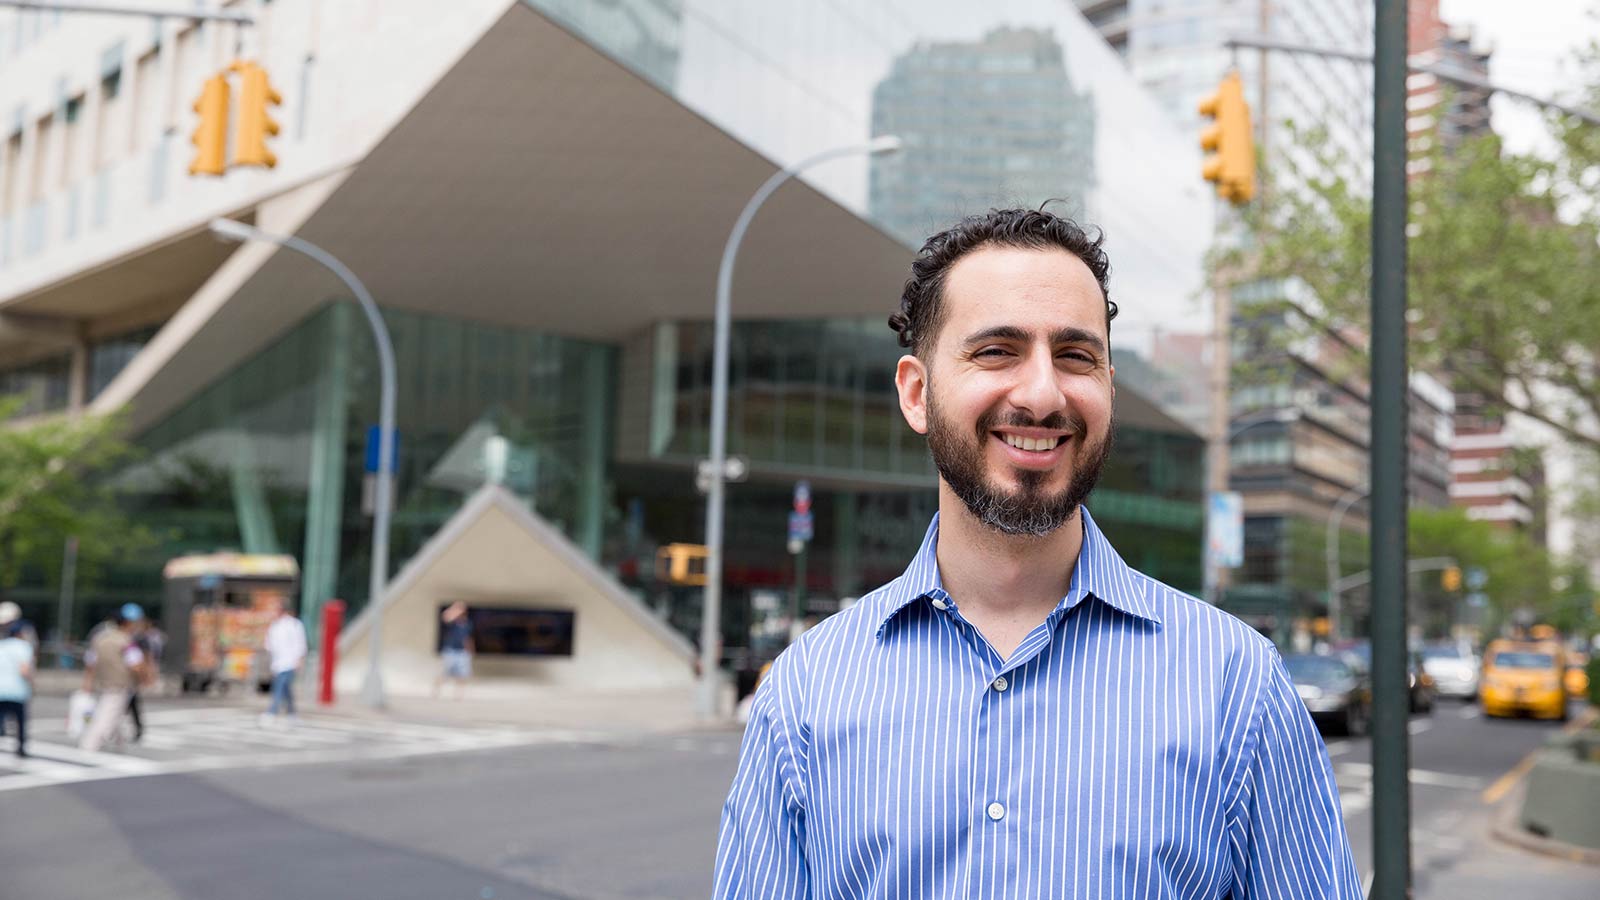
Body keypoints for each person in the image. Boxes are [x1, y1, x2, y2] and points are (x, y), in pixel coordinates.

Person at [713, 208, 1360, 899]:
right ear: (916, 392)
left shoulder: (1238, 686)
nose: (1044, 394)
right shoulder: (806, 691)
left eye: (1076, 357)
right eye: (997, 351)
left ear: (1108, 387)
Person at [80, 604, 150, 752]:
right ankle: (90, 745)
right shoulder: (126, 641)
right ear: (128, 622)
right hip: (120, 684)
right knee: (107, 716)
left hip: (104, 682)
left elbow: (90, 662)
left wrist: (88, 682)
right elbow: (136, 665)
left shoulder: (100, 638)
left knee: (114, 713)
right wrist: (145, 677)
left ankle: (119, 743)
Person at [260, 599, 307, 727]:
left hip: (290, 662)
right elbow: (269, 645)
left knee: (279, 687)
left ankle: (271, 712)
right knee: (286, 689)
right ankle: (292, 714)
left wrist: (299, 660)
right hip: (278, 663)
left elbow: (300, 643)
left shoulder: (294, 624)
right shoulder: (275, 626)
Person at [0, 620, 35, 758]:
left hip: (1, 689)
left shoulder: (1, 645)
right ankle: (21, 748)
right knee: (20, 721)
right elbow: (25, 670)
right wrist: (32, 683)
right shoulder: (24, 646)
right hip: (17, 690)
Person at [434, 602, 474, 699]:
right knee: (445, 672)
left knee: (462, 674)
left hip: (462, 652)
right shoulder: (452, 622)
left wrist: (471, 650)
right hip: (450, 650)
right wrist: (454, 608)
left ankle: (459, 694)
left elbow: (468, 638)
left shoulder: (467, 623)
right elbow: (445, 617)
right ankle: (436, 691)